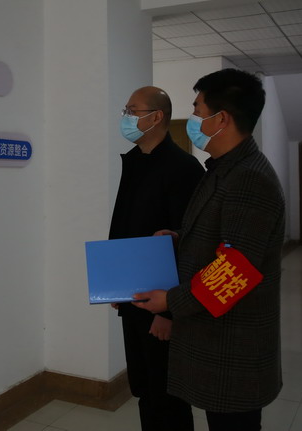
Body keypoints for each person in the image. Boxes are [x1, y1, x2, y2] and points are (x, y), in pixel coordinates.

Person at [133, 69, 285, 431]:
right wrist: (178, 237)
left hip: (233, 345)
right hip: (214, 337)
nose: (193, 118)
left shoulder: (249, 178)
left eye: (198, 110)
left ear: (222, 119)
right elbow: (223, 235)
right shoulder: (223, 168)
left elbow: (235, 270)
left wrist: (171, 302)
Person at [110, 86, 203, 431]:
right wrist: (116, 284)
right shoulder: (134, 162)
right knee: (144, 388)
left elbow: (189, 243)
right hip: (133, 297)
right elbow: (126, 228)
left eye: (132, 111)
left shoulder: (184, 168)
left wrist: (169, 312)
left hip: (163, 303)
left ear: (156, 117)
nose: (126, 117)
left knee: (168, 394)